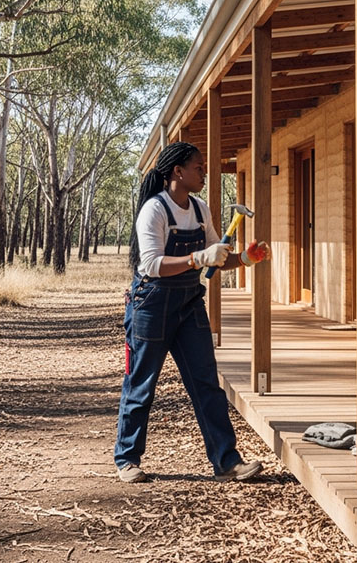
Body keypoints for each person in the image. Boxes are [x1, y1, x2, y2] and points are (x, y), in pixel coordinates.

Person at [114, 141, 271, 483]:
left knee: (206, 384)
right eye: (198, 167)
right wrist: (197, 258)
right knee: (141, 384)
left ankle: (227, 462)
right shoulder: (154, 210)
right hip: (151, 305)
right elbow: (152, 265)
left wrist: (246, 258)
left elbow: (216, 257)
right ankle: (127, 459)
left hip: (188, 305)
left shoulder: (200, 210)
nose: (203, 173)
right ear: (177, 171)